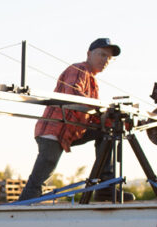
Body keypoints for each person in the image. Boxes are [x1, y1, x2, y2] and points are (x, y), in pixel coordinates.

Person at [18, 38, 133, 202]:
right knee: (42, 174)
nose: (105, 60)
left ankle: (106, 188)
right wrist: (104, 110)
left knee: (107, 131)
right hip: (54, 130)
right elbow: (74, 95)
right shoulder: (78, 69)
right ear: (89, 54)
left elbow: (94, 117)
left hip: (70, 132)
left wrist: (119, 121)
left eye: (109, 58)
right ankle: (23, 207)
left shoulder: (93, 82)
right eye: (102, 54)